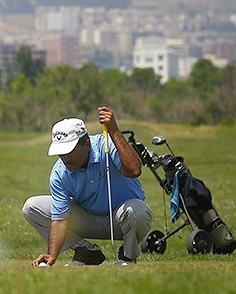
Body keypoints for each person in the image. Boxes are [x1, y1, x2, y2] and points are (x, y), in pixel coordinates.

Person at [23, 106, 152, 267]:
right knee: (31, 207)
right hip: (87, 221)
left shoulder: (107, 144)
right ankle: (87, 252)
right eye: (60, 152)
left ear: (86, 144)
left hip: (121, 220)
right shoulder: (59, 173)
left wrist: (114, 131)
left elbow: (134, 170)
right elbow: (60, 219)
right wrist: (52, 255)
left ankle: (128, 255)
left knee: (137, 210)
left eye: (69, 151)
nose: (64, 157)